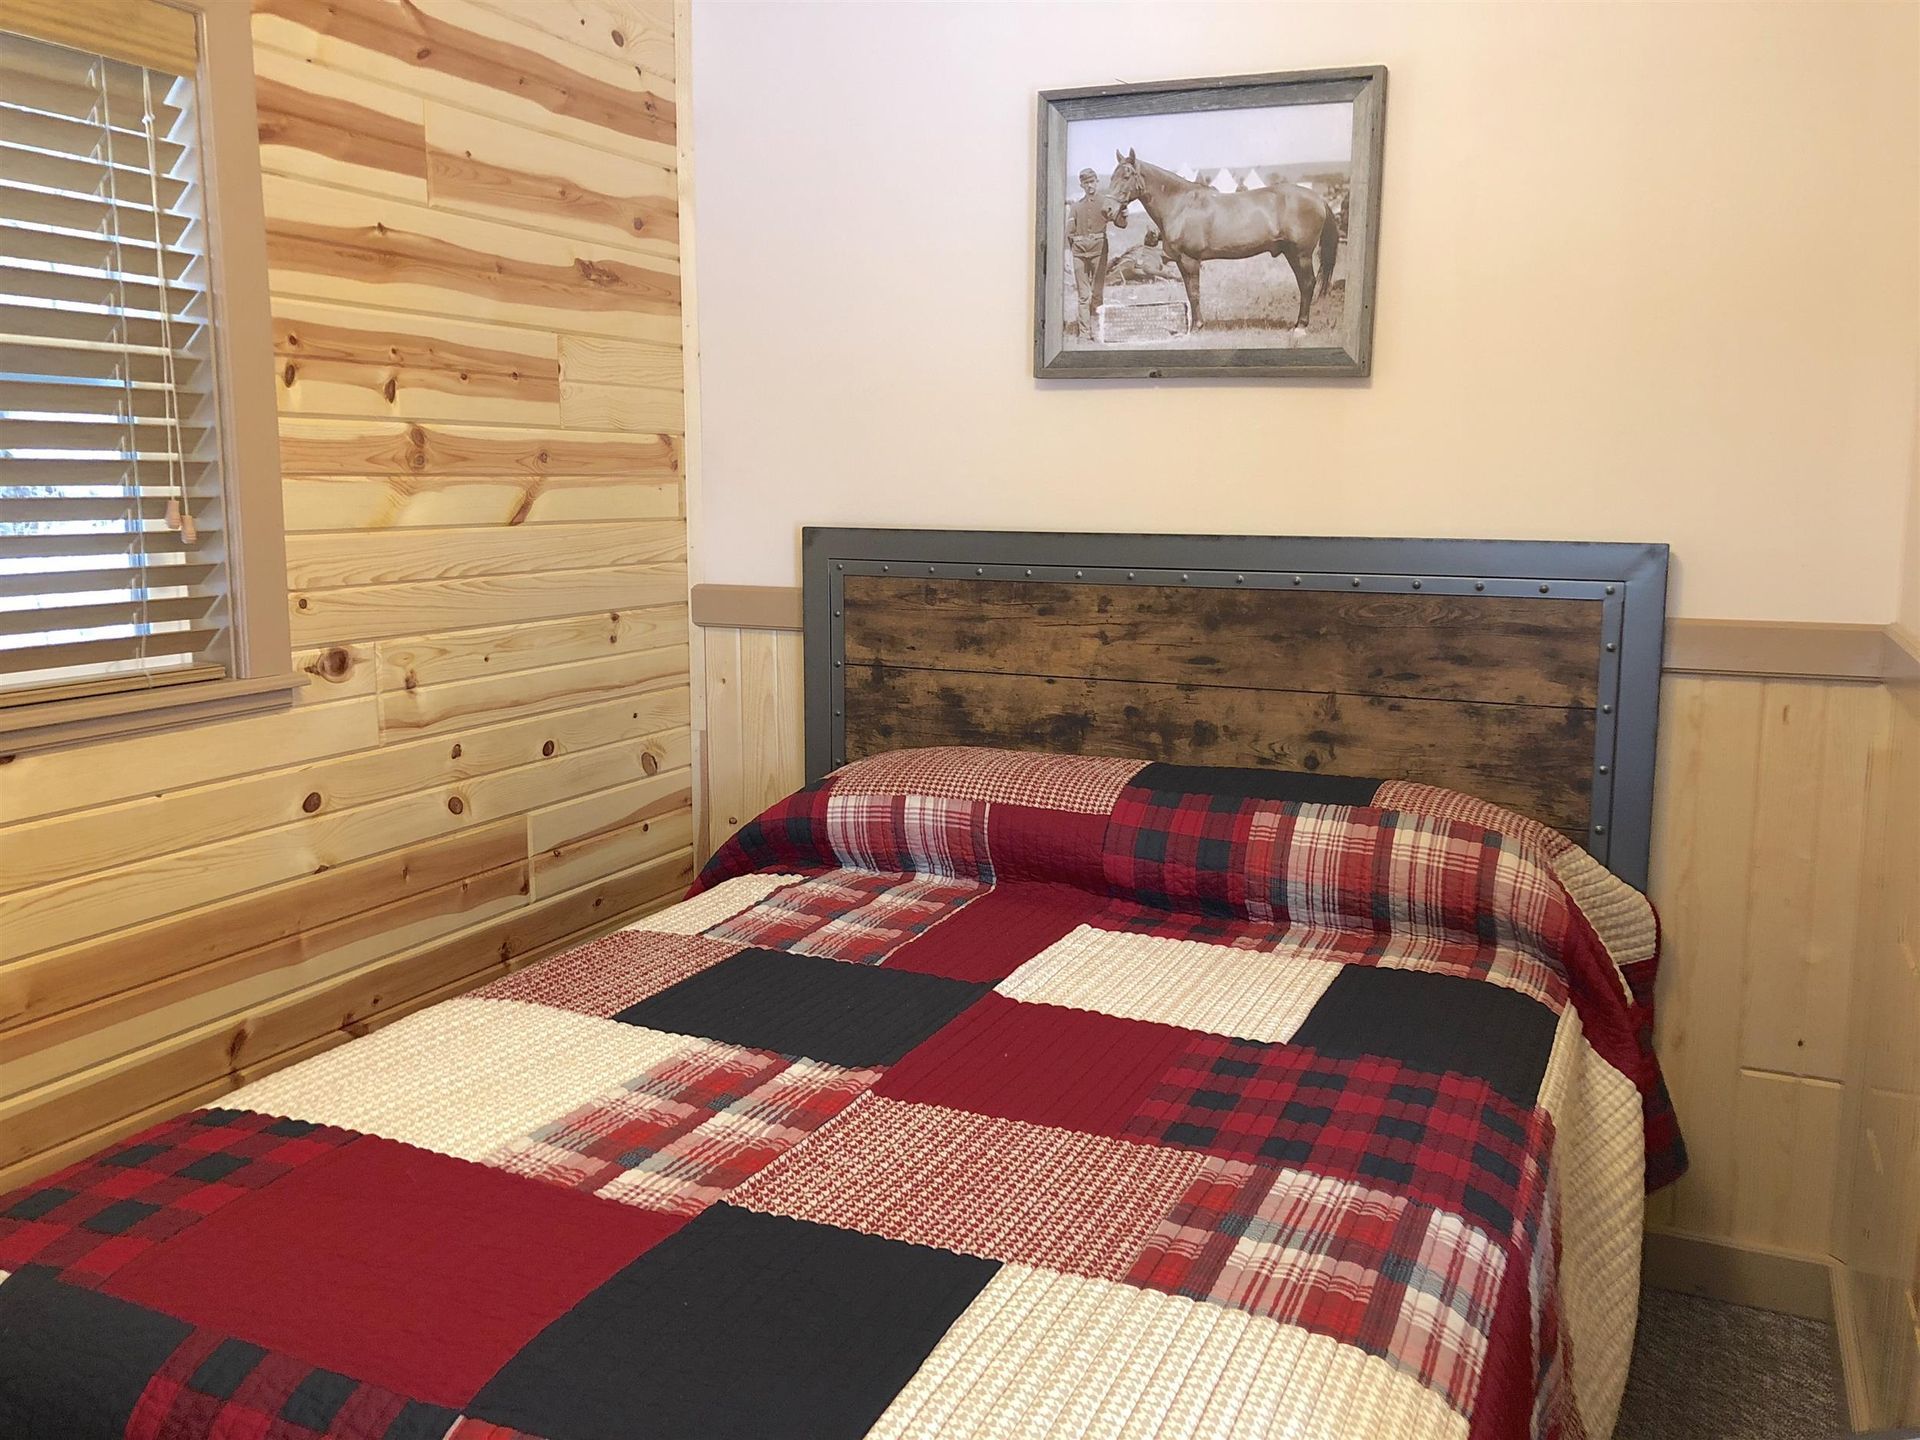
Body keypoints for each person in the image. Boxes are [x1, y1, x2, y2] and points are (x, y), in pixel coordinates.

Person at [1064, 166, 1121, 337]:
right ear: (1081, 185)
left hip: (1099, 252)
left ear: (1097, 182)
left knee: (1097, 293)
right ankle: (1084, 333)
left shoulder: (1105, 202)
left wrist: (1123, 213)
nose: (1089, 186)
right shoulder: (1076, 207)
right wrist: (1068, 255)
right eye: (1086, 183)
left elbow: (1121, 223)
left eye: (1092, 182)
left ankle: (1097, 332)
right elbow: (1068, 233)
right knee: (1083, 295)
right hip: (1079, 254)